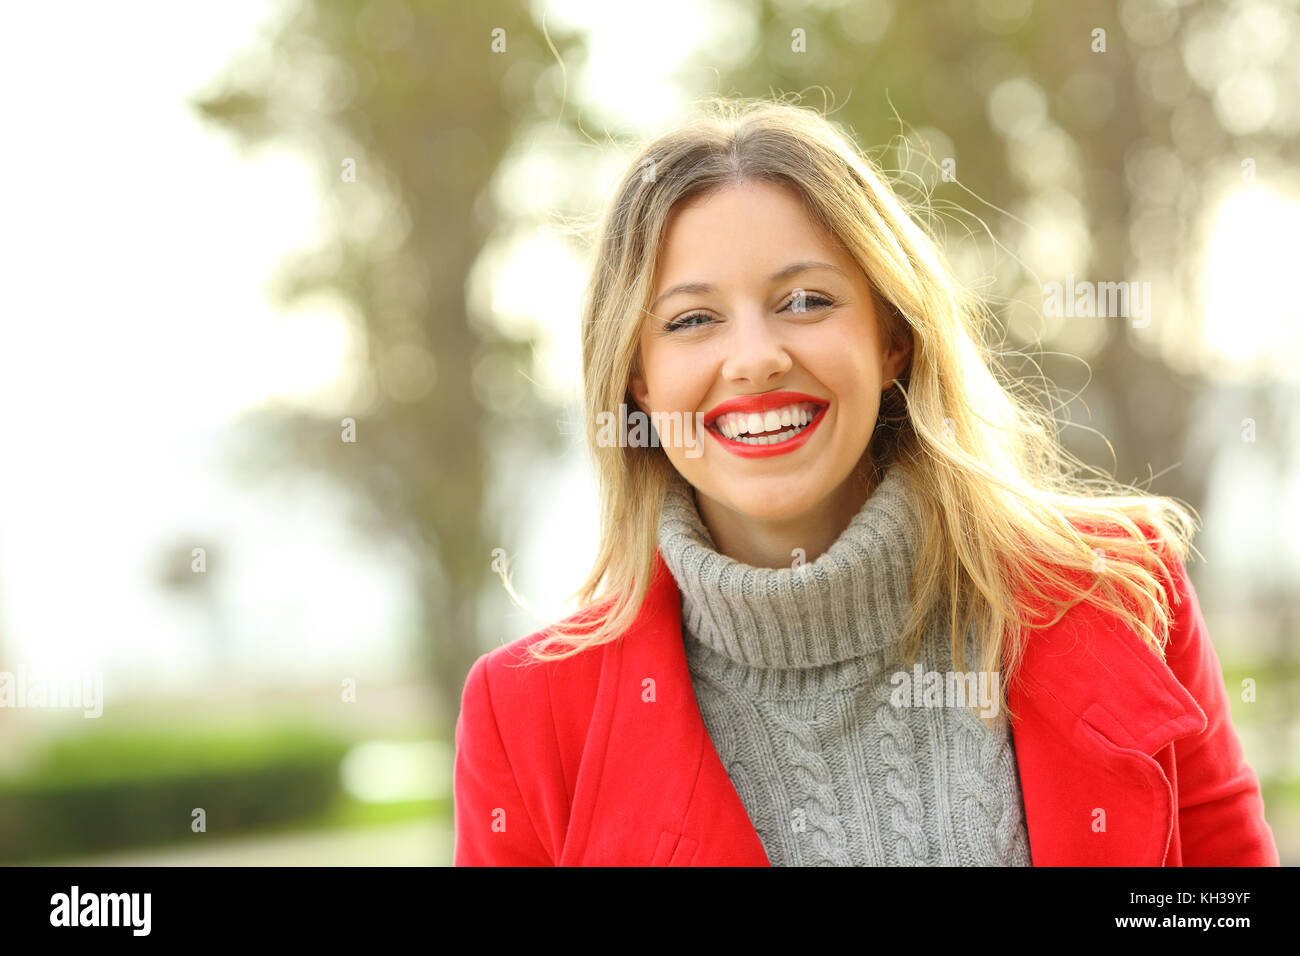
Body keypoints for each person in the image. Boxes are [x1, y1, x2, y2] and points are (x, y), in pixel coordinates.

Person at [452, 96, 1280, 866]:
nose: (755, 358)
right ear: (637, 380)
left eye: (806, 301)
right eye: (692, 320)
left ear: (892, 339)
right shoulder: (529, 717)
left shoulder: (1117, 594)